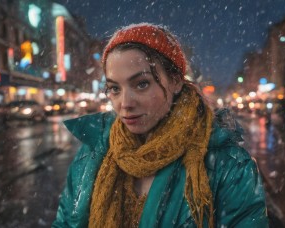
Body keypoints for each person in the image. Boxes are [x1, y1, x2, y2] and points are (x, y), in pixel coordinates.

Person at [52, 23, 268, 228]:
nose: (125, 104)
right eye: (114, 89)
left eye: (142, 84)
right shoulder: (91, 155)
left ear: (175, 81)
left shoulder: (227, 165)